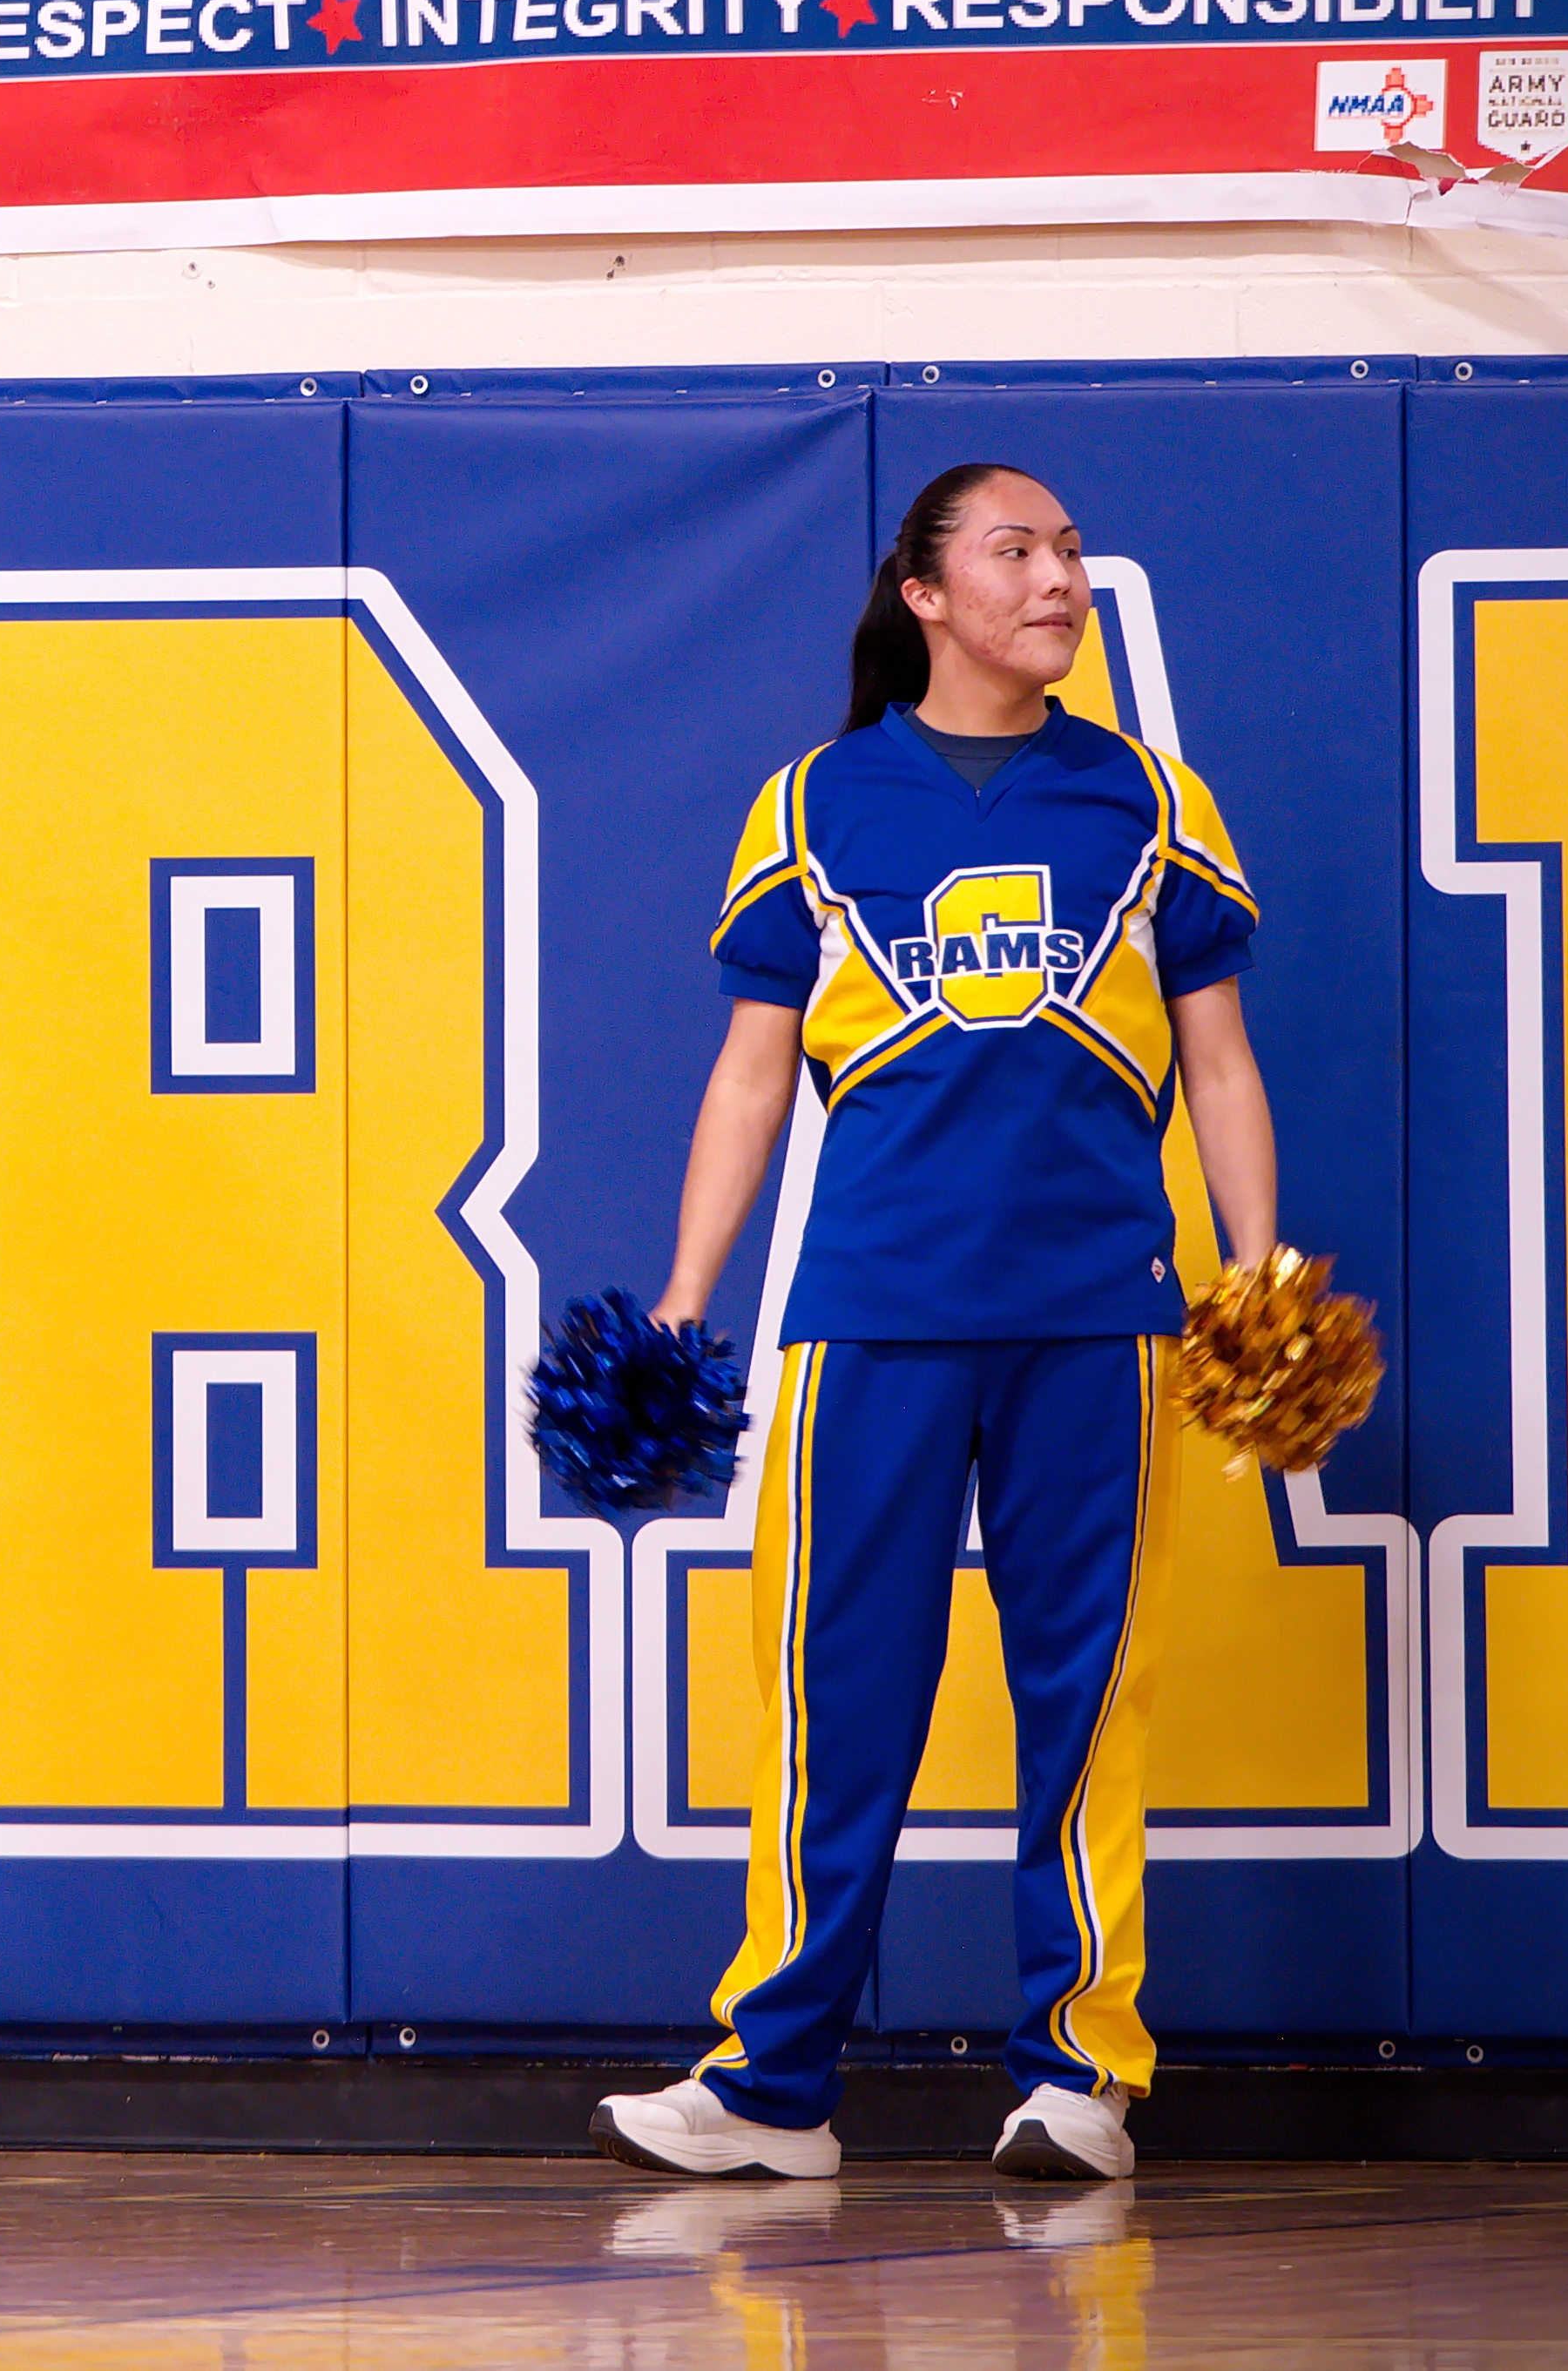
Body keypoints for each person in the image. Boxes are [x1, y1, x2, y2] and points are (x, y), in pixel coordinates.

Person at [592, 462, 1276, 2187]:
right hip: (866, 1317)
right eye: (1014, 550)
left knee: (1083, 1696)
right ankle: (771, 2087)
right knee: (833, 1701)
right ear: (922, 589)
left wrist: (1253, 1275)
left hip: (1093, 1325)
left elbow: (1215, 1059)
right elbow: (750, 1075)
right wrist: (687, 1294)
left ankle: (1075, 2078)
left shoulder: (1148, 799)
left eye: (1066, 552)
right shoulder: (816, 802)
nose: (1056, 576)